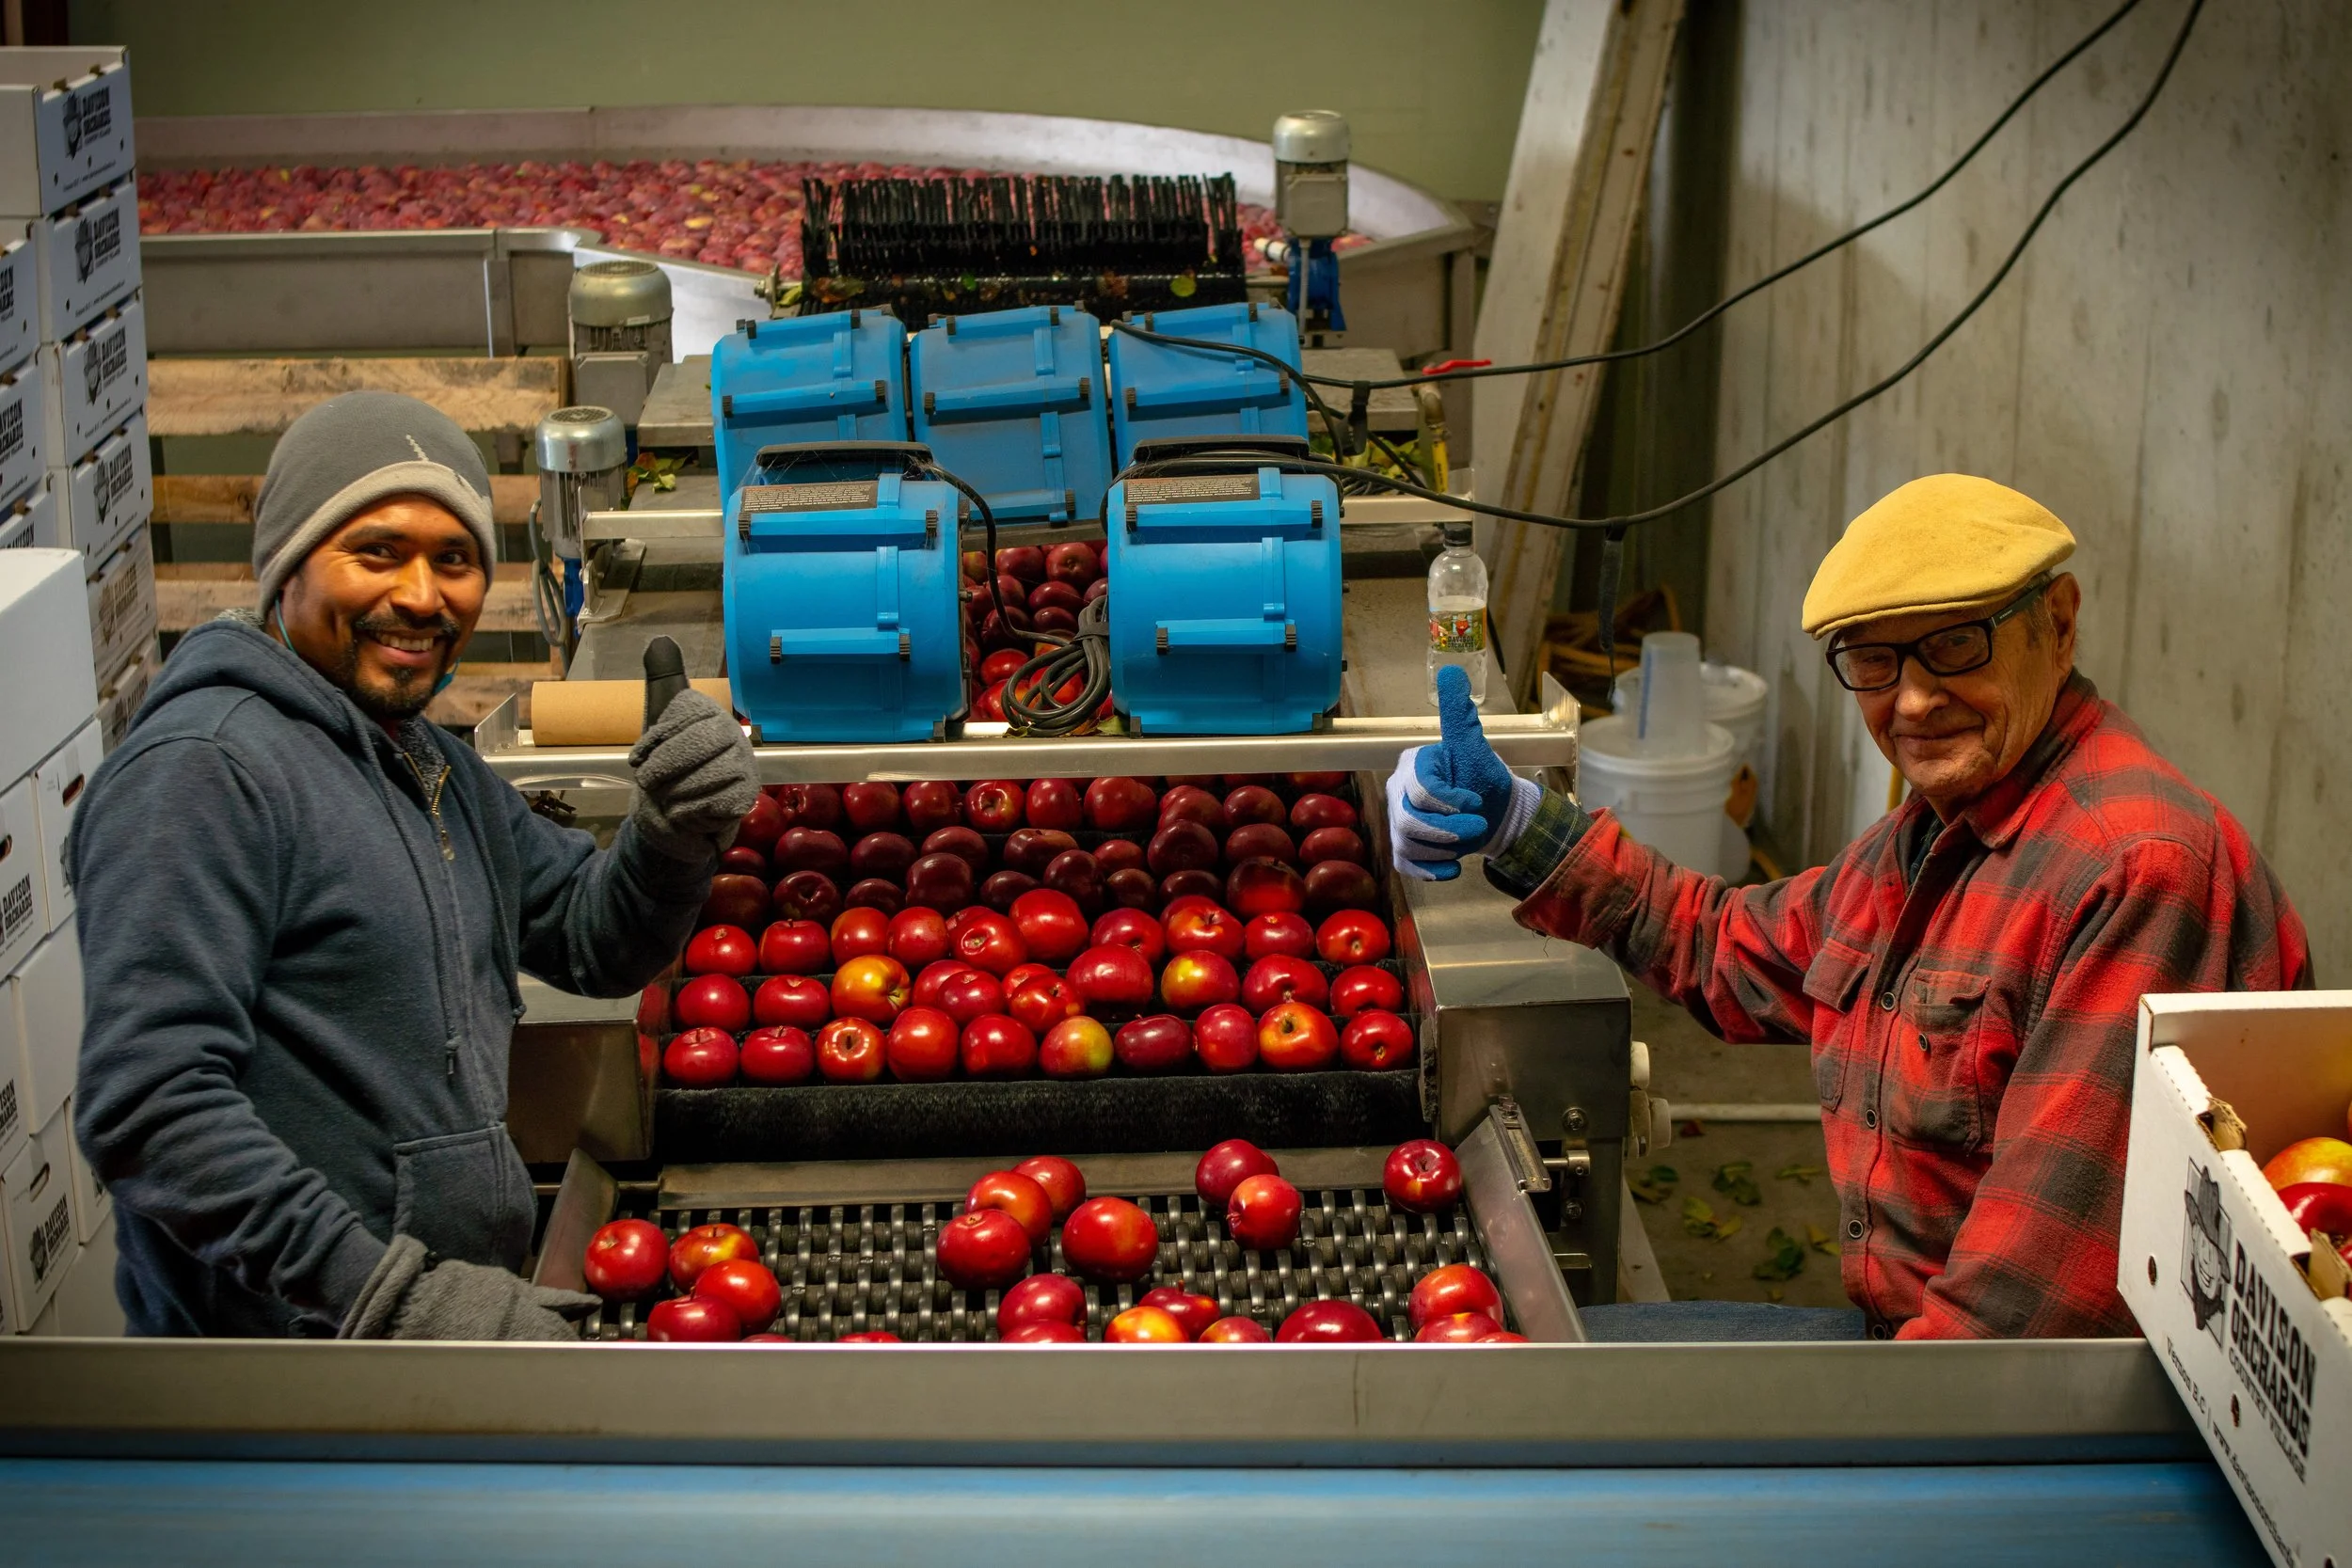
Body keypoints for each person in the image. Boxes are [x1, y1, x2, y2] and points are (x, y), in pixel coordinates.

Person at [1391, 474, 2311, 1339]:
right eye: (1874, 660)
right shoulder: (1939, 830)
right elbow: (1725, 945)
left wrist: (1862, 1467)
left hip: (2024, 1408)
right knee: (1528, 1355)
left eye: (1955, 645)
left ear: (2058, 625)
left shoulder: (2134, 871)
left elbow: (2019, 1319)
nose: (1912, 699)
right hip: (1912, 1339)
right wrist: (1517, 820)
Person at [71, 390, 759, 1339]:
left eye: (456, 559)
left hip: (423, 1335)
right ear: (286, 568)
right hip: (287, 1375)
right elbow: (149, 1105)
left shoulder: (426, 759)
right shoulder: (205, 772)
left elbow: (590, 936)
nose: (423, 595)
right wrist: (388, 1296)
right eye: (378, 552)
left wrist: (673, 828)